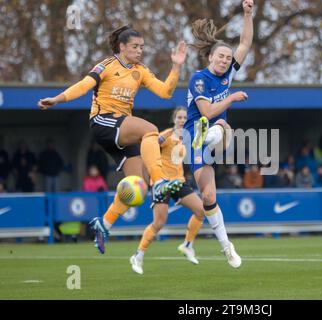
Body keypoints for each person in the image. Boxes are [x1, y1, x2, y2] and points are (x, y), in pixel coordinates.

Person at [38, 25, 187, 254]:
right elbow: (85, 85)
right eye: (135, 47)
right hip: (103, 122)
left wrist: (176, 66)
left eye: (142, 47)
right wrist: (58, 99)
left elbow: (166, 92)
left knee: (137, 186)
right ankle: (159, 182)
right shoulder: (107, 65)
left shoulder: (141, 70)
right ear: (122, 47)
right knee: (150, 129)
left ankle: (104, 224)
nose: (140, 51)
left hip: (121, 128)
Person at [182, 0, 254, 268]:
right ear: (210, 57)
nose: (225, 60)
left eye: (228, 57)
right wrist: (232, 98)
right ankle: (227, 246)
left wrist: (248, 14)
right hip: (194, 138)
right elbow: (208, 111)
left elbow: (245, 43)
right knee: (209, 198)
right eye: (220, 56)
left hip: (214, 135)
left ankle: (214, 136)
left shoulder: (228, 73)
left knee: (221, 128)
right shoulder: (198, 79)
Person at [130, 107, 211, 274]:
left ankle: (187, 245)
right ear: (174, 119)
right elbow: (150, 148)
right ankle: (138, 255)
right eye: (179, 117)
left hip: (179, 181)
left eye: (184, 118)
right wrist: (148, 179)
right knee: (159, 223)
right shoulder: (166, 135)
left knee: (201, 211)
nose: (182, 120)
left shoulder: (187, 137)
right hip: (162, 182)